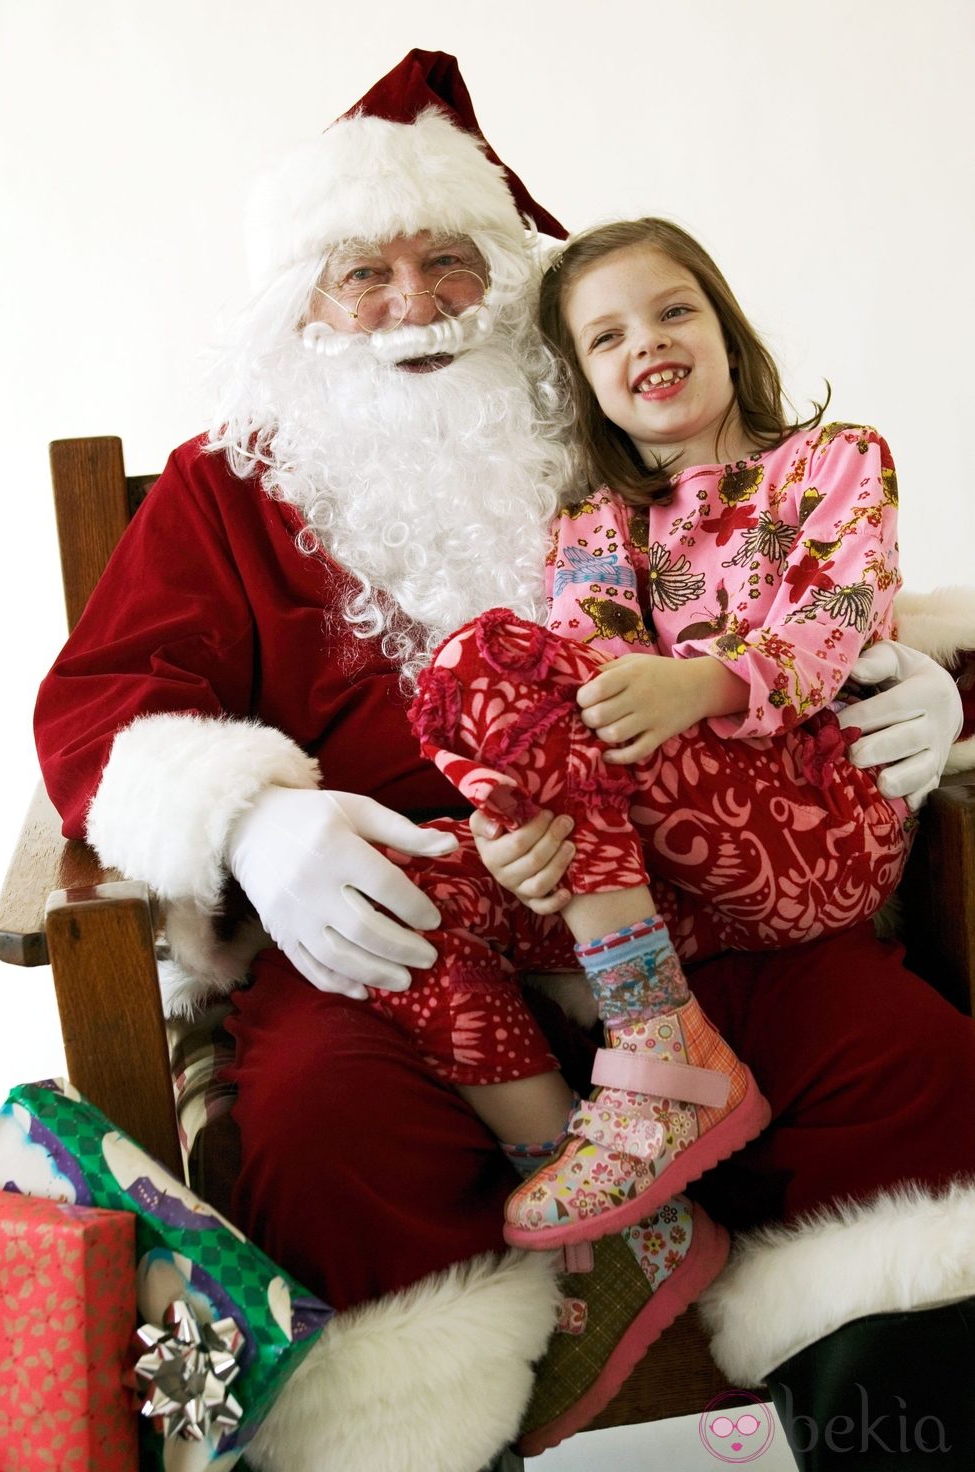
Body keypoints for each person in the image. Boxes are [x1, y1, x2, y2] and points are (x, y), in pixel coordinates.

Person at [30, 49, 975, 1472]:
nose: (411, 307)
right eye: (362, 272)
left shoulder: (612, 442)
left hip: (687, 898)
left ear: (518, 279)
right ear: (298, 305)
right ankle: (418, 1430)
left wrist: (929, 679)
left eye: (451, 263)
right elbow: (102, 699)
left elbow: (795, 571)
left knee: (900, 1057)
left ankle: (908, 1423)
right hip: (407, 920)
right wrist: (251, 828)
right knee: (316, 1117)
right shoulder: (228, 489)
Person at [389, 212, 913, 1259]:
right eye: (607, 336)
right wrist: (513, 825)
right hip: (662, 878)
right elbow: (573, 709)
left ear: (725, 328)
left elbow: (827, 622)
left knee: (485, 654)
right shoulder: (590, 522)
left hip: (812, 830)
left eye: (672, 311)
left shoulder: (831, 462)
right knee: (400, 899)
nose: (648, 344)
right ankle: (624, 1224)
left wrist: (705, 682)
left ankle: (653, 1046)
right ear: (581, 380)